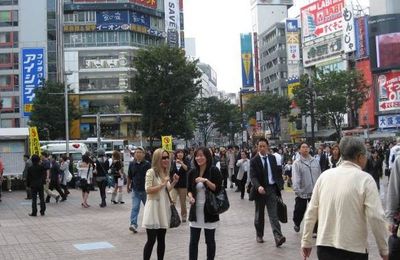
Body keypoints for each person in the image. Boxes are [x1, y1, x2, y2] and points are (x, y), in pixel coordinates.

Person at [301, 136, 389, 260]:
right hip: (354, 249)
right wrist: (384, 249)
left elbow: (311, 211)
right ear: (359, 157)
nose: (366, 159)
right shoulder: (365, 179)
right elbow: (376, 217)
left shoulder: (324, 176)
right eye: (365, 155)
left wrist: (306, 241)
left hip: (325, 246)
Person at [142, 148, 179, 260]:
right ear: (157, 158)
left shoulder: (165, 172)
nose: (166, 160)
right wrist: (163, 183)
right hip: (153, 208)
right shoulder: (151, 172)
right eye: (163, 157)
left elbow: (166, 189)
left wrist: (174, 182)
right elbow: (148, 189)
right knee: (151, 240)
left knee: (162, 239)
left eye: (167, 157)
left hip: (163, 208)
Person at [187, 147, 223, 260]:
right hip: (195, 211)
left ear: (207, 157)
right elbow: (189, 190)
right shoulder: (192, 172)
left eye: (202, 155)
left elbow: (217, 189)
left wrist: (206, 181)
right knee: (193, 241)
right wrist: (190, 197)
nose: (199, 158)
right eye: (197, 155)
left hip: (209, 211)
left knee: (210, 241)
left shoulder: (214, 170)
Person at [249, 138, 286, 246]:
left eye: (264, 146)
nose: (262, 148)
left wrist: (280, 184)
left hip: (271, 189)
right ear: (257, 147)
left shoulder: (272, 158)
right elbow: (253, 176)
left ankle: (278, 237)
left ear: (267, 147)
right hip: (260, 191)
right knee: (259, 214)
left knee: (273, 214)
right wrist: (258, 186)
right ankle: (259, 235)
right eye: (259, 146)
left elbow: (277, 173)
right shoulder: (254, 160)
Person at [292, 142, 321, 233]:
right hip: (302, 191)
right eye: (303, 147)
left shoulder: (315, 161)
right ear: (299, 150)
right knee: (299, 210)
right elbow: (296, 177)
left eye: (307, 147)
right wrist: (297, 189)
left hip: (314, 191)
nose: (305, 149)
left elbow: (319, 174)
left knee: (315, 211)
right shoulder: (297, 163)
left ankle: (315, 229)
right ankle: (297, 223)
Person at [127, 146, 151, 233]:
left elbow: (151, 176)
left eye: (140, 152)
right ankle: (133, 224)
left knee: (148, 207)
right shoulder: (132, 164)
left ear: (143, 154)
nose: (137, 154)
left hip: (146, 190)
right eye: (136, 152)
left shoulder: (147, 164)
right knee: (135, 207)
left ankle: (151, 223)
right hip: (135, 189)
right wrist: (128, 186)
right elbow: (130, 176)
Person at [169, 149, 189, 222]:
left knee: (182, 202)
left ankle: (184, 216)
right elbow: (170, 171)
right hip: (174, 184)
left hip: (183, 184)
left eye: (181, 153)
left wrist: (181, 163)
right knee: (172, 200)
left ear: (183, 154)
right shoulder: (173, 162)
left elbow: (187, 169)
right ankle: (172, 215)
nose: (180, 154)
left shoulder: (186, 161)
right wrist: (173, 175)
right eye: (179, 153)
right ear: (176, 154)